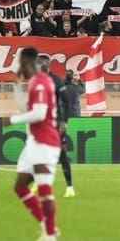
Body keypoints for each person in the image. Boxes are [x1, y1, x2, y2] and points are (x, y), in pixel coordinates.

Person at [4, 47, 60, 241]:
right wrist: (17, 87)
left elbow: (39, 114)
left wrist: (13, 121)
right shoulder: (35, 83)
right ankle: (47, 226)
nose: (17, 66)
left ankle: (50, 235)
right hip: (34, 143)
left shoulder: (42, 83)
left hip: (44, 142)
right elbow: (25, 107)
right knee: (20, 187)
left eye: (18, 62)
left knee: (44, 189)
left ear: (25, 62)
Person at [36, 57, 76, 199]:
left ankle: (70, 187)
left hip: (55, 122)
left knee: (62, 155)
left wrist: (64, 121)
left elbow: (66, 101)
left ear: (47, 65)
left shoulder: (56, 80)